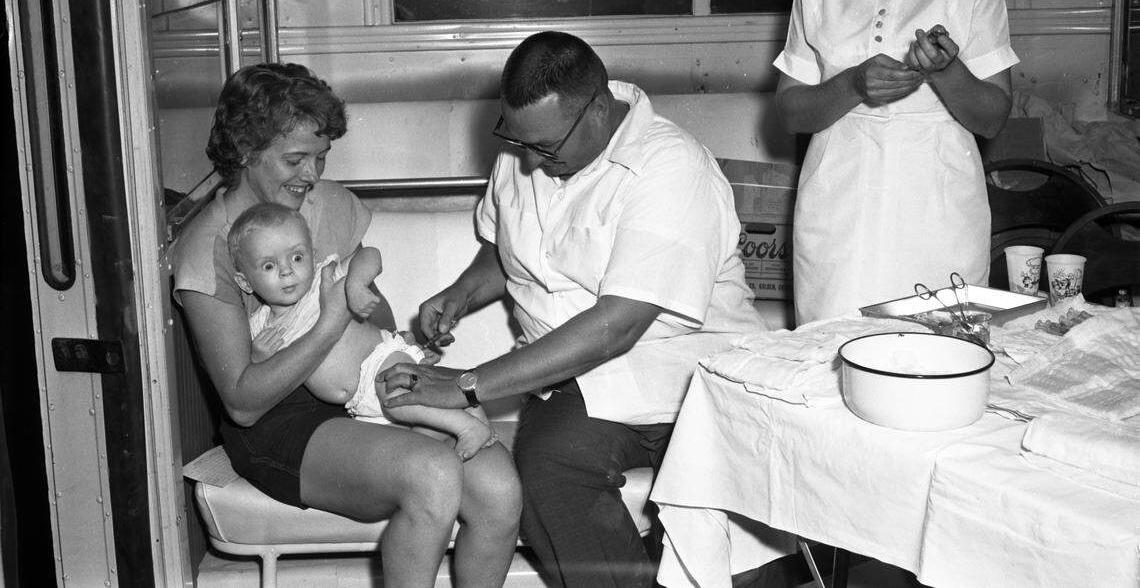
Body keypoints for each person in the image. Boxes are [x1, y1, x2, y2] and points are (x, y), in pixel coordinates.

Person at [380, 31, 769, 588]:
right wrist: (463, 292)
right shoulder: (527, 148)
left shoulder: (671, 167)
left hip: (685, 369)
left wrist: (466, 384)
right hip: (570, 376)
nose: (532, 164)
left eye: (545, 147)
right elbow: (505, 248)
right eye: (518, 142)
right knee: (548, 469)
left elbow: (619, 325)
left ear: (599, 109)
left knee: (728, 529)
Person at [172, 63, 521, 588]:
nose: (311, 176)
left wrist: (385, 342)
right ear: (246, 149)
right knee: (432, 472)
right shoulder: (209, 248)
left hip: (357, 382)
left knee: (498, 488)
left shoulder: (328, 204)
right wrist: (329, 321)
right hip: (279, 420)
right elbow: (244, 402)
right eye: (295, 159)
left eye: (320, 157)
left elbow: (371, 312)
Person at [774, 0, 1018, 325]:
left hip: (935, 210)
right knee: (831, 358)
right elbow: (790, 112)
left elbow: (992, 116)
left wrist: (946, 70)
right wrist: (854, 87)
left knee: (937, 362)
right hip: (839, 208)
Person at [228, 201, 497, 460]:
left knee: (399, 402)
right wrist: (259, 354)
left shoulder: (325, 280)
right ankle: (470, 410)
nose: (287, 271)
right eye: (269, 266)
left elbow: (370, 256)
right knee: (398, 449)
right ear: (245, 281)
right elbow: (259, 378)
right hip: (359, 405)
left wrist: (356, 283)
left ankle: (468, 427)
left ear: (312, 254)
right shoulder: (260, 325)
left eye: (297, 257)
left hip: (381, 361)